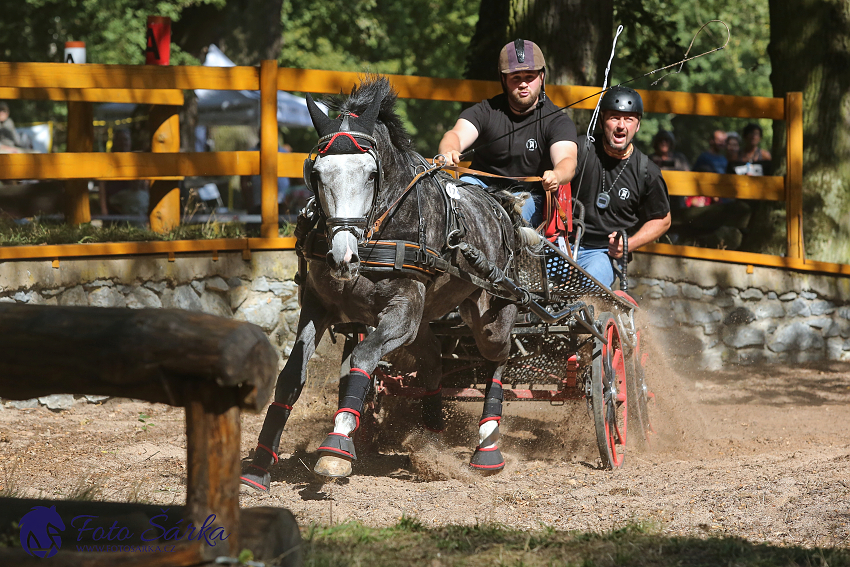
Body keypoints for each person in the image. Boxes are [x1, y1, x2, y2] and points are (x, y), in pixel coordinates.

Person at [437, 39, 578, 227]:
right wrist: (449, 151)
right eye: (516, 78)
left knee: (512, 217)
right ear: (503, 80)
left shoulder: (557, 121)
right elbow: (455, 135)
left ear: (542, 77)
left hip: (527, 196)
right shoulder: (485, 111)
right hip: (479, 186)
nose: (523, 84)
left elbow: (568, 161)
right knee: (450, 204)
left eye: (530, 77)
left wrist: (556, 175)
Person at [571, 87, 671, 287]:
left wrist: (628, 245)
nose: (621, 126)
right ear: (602, 120)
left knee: (586, 291)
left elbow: (663, 220)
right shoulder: (581, 148)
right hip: (562, 243)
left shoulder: (647, 172)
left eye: (629, 120)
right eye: (615, 117)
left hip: (603, 253)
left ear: (638, 125)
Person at [98, 129, 150, 222]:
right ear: (115, 142)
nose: (123, 143)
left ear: (130, 142)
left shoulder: (135, 160)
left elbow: (143, 184)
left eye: (126, 140)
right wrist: (103, 209)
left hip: (132, 205)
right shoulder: (108, 161)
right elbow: (102, 186)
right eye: (120, 140)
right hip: (113, 204)